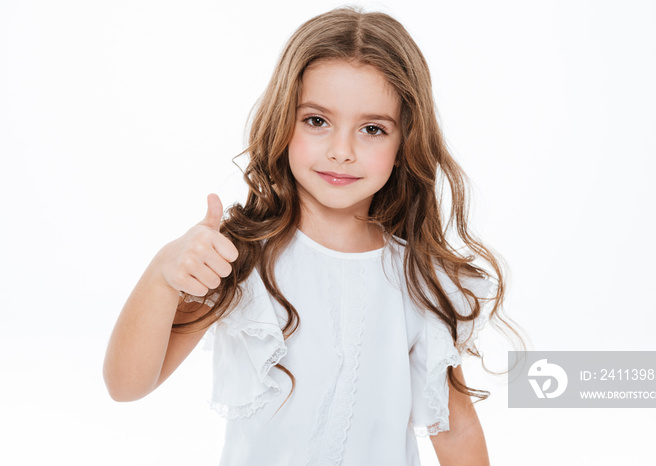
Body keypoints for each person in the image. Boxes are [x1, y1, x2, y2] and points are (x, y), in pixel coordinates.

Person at [104, 6, 521, 466]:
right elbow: (126, 385)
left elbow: (456, 429)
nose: (341, 151)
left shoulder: (417, 279)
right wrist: (164, 273)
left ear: (405, 145)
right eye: (317, 121)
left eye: (372, 129)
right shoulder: (242, 259)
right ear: (284, 122)